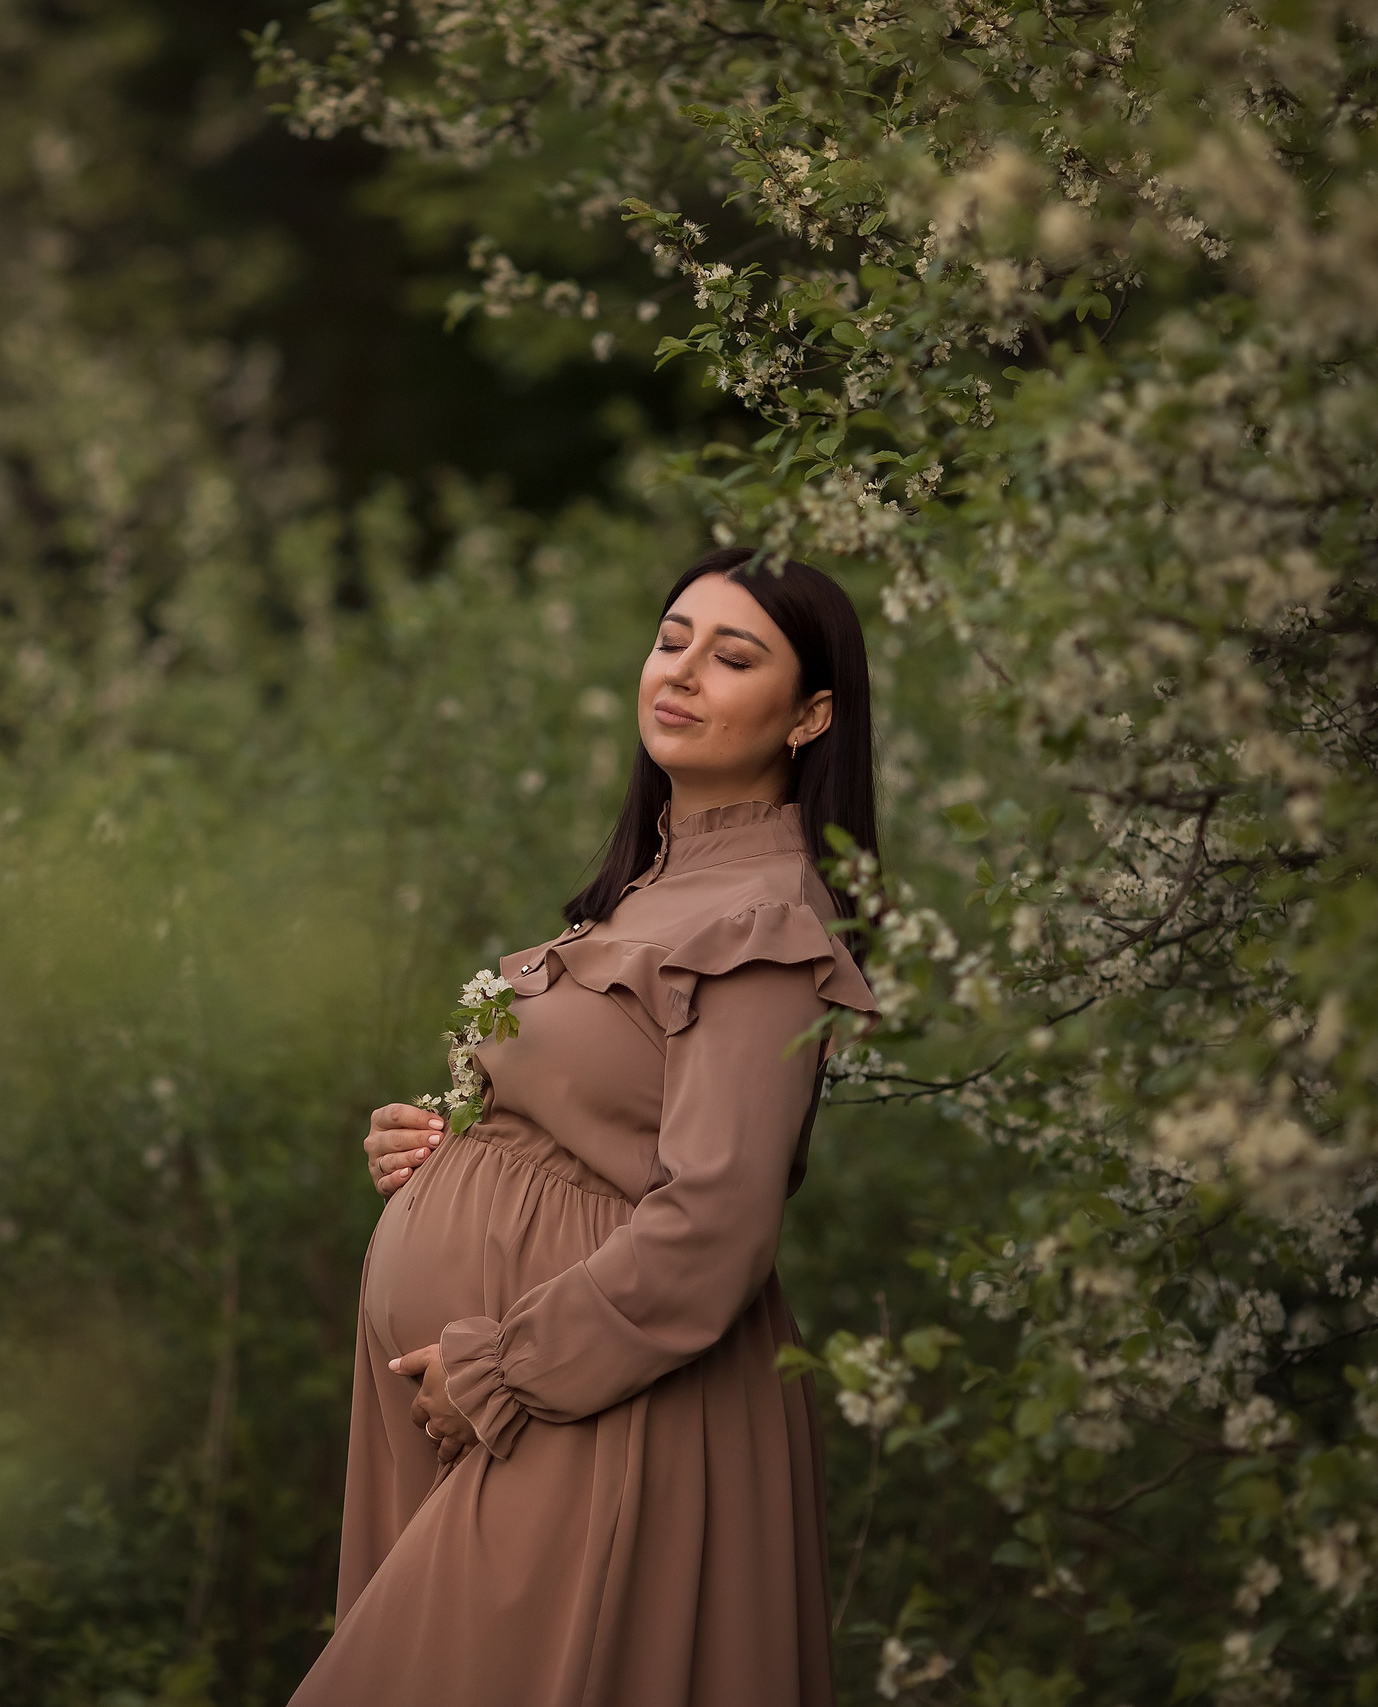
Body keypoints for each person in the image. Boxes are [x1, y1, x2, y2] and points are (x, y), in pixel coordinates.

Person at [290, 546, 881, 1707]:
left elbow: (715, 1224)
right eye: (671, 642)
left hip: (589, 1403)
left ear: (810, 716)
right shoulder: (646, 894)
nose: (684, 671)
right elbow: (592, 1122)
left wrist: (506, 1371)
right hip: (499, 1399)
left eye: (733, 655)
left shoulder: (761, 918)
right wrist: (439, 1144)